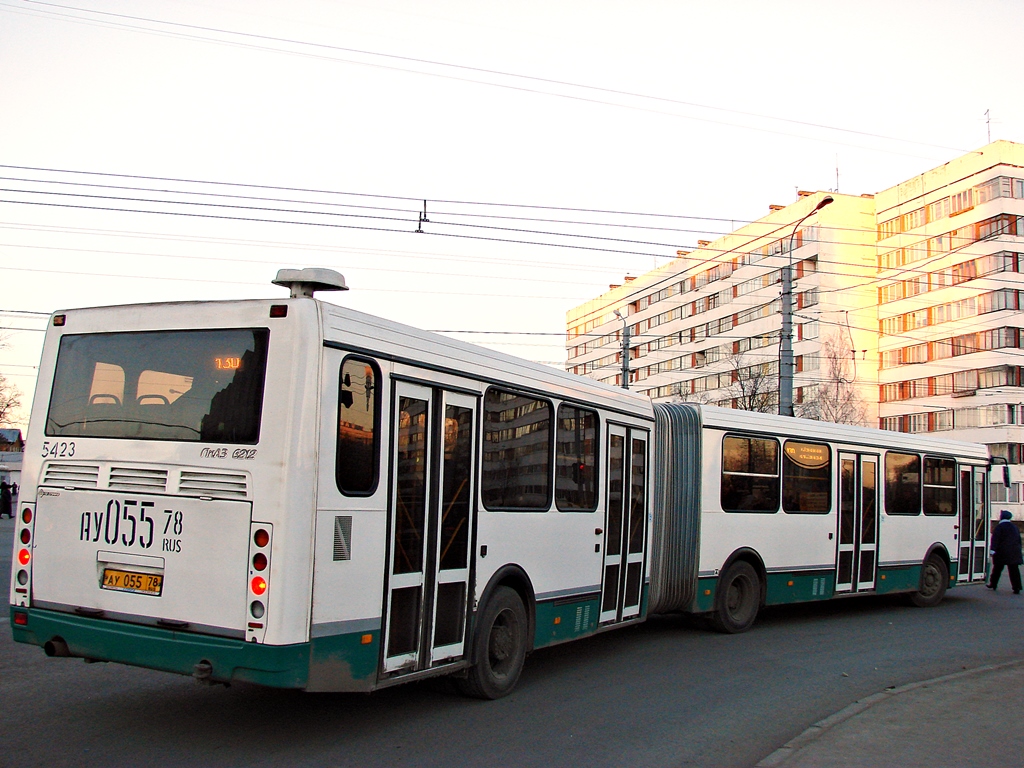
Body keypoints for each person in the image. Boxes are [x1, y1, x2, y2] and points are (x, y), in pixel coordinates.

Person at [988, 509, 1022, 594]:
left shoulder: (999, 527)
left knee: (997, 569)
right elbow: (1019, 540)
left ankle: (993, 584)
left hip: (1002, 552)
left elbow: (995, 539)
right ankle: (1017, 587)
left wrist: (993, 550)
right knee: (1014, 570)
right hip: (1014, 551)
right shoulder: (1014, 527)